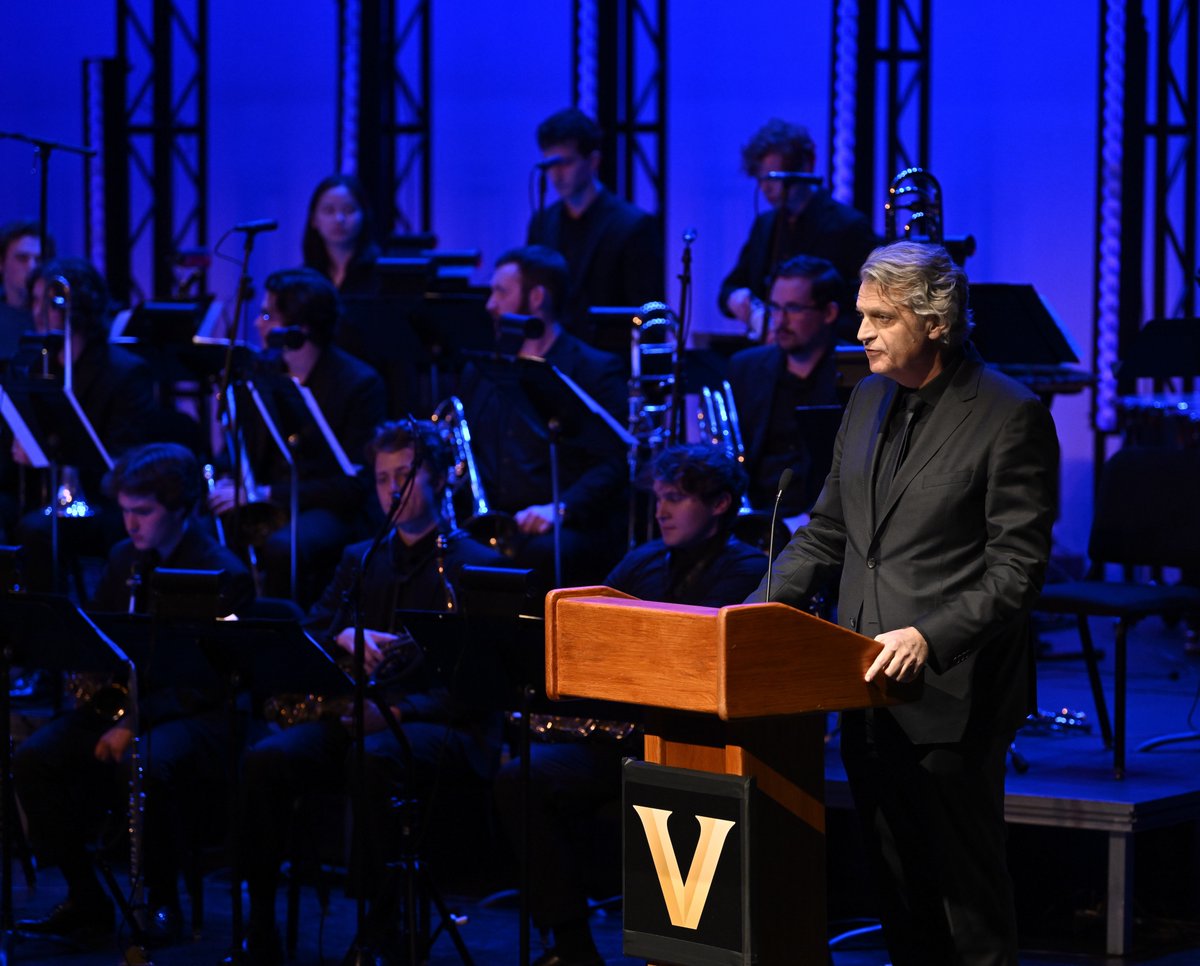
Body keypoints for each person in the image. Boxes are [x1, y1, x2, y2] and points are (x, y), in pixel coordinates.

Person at [749, 241, 1059, 965]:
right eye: (861, 316)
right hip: (858, 683)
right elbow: (828, 533)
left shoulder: (1011, 414)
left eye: (880, 317)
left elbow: (1017, 570)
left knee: (964, 898)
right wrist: (749, 618)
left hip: (952, 695)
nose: (861, 333)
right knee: (896, 889)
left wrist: (930, 633)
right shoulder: (864, 398)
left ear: (937, 321)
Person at [233, 419, 507, 966]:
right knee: (264, 759)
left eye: (405, 476)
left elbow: (481, 686)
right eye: (383, 478)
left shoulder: (477, 564)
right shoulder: (362, 557)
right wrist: (343, 634)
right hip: (360, 715)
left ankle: (381, 926)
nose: (392, 490)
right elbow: (310, 627)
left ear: (440, 479)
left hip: (447, 726)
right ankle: (258, 929)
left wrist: (401, 710)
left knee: (373, 759)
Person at [495, 445, 765, 966]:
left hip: (700, 745)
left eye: (677, 498)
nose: (661, 510)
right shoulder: (643, 559)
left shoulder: (747, 568)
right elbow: (588, 629)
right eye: (659, 497)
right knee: (519, 776)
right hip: (621, 740)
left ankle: (681, 951)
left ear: (720, 505)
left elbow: (695, 657)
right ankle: (571, 947)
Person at [14, 442, 255, 947]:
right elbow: (103, 643)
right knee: (36, 756)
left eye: (143, 512)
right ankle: (87, 897)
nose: (131, 525)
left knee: (144, 762)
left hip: (196, 712)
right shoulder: (125, 558)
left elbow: (206, 683)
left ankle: (160, 902)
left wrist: (132, 723)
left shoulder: (222, 571)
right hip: (134, 703)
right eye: (124, 511)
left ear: (183, 508)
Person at [207, 266, 386, 603]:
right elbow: (241, 443)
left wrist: (262, 493)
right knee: (204, 531)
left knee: (282, 547)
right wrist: (229, 477)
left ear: (299, 328)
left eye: (267, 315)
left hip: (330, 508)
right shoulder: (261, 372)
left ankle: (285, 634)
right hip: (268, 497)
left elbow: (354, 485)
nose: (259, 324)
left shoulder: (358, 384)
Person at [458, 245, 628, 590]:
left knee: (538, 558)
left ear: (536, 298)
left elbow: (615, 462)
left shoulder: (595, 370)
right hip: (496, 520)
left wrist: (559, 507)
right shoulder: (485, 370)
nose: (490, 304)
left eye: (500, 292)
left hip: (566, 524)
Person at [11, 258, 159, 590]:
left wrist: (56, 453)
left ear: (78, 307)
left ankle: (51, 625)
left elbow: (127, 458)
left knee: (37, 532)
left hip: (105, 504)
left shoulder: (125, 371)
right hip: (46, 494)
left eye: (49, 303)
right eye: (34, 301)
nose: (37, 313)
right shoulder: (39, 367)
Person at [718, 119, 877, 343]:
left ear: (806, 166)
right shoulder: (766, 226)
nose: (766, 187)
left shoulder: (849, 226)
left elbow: (864, 309)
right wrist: (739, 301)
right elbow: (730, 287)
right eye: (761, 178)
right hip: (770, 359)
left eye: (775, 177)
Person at [726, 255, 847, 521]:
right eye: (775, 308)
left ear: (829, 313)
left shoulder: (856, 372)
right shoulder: (745, 367)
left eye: (793, 309)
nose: (779, 322)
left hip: (828, 525)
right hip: (755, 520)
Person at [526, 107, 663, 334]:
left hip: (609, 356)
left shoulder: (632, 225)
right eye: (550, 165)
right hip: (554, 355)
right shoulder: (542, 222)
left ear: (593, 162)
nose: (556, 175)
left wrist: (634, 327)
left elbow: (647, 313)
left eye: (565, 163)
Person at [301, 174, 381, 295]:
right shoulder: (305, 278)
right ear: (313, 220)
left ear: (364, 216)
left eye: (348, 210)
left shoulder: (382, 272)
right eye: (329, 210)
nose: (339, 219)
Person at [0, 220, 50, 357]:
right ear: (1, 263)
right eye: (22, 258)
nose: (32, 267)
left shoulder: (56, 316)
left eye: (38, 260)